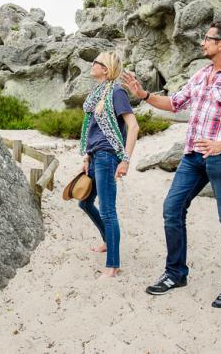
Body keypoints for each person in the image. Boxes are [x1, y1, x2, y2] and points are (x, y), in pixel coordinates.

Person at [121, 21, 221, 308]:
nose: (203, 43)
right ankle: (176, 273)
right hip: (192, 156)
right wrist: (144, 95)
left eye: (208, 39)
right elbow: (175, 103)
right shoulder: (201, 75)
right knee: (172, 209)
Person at [78, 51, 139, 279]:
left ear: (106, 69)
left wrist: (125, 159)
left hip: (108, 156)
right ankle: (108, 240)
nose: (92, 64)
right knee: (84, 203)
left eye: (97, 62)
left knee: (108, 210)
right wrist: (86, 156)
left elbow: (133, 127)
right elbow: (92, 128)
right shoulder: (96, 94)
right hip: (95, 156)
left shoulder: (117, 92)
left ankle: (113, 265)